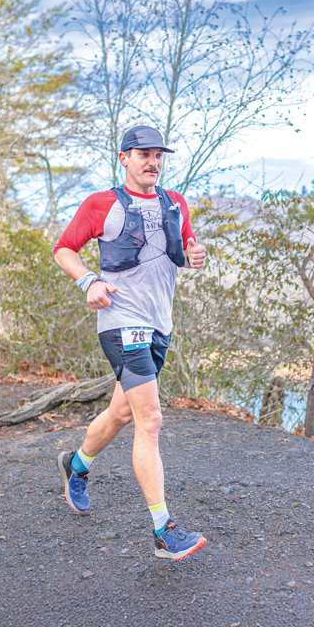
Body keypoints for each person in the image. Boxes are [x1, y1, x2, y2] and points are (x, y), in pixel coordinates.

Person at [51, 125, 208, 561]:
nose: (152, 162)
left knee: (122, 411)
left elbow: (187, 248)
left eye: (158, 154)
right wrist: (88, 280)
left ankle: (75, 466)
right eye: (144, 154)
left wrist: (195, 255)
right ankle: (163, 531)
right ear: (125, 158)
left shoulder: (175, 203)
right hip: (120, 322)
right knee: (151, 420)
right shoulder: (101, 204)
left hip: (159, 324)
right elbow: (64, 249)